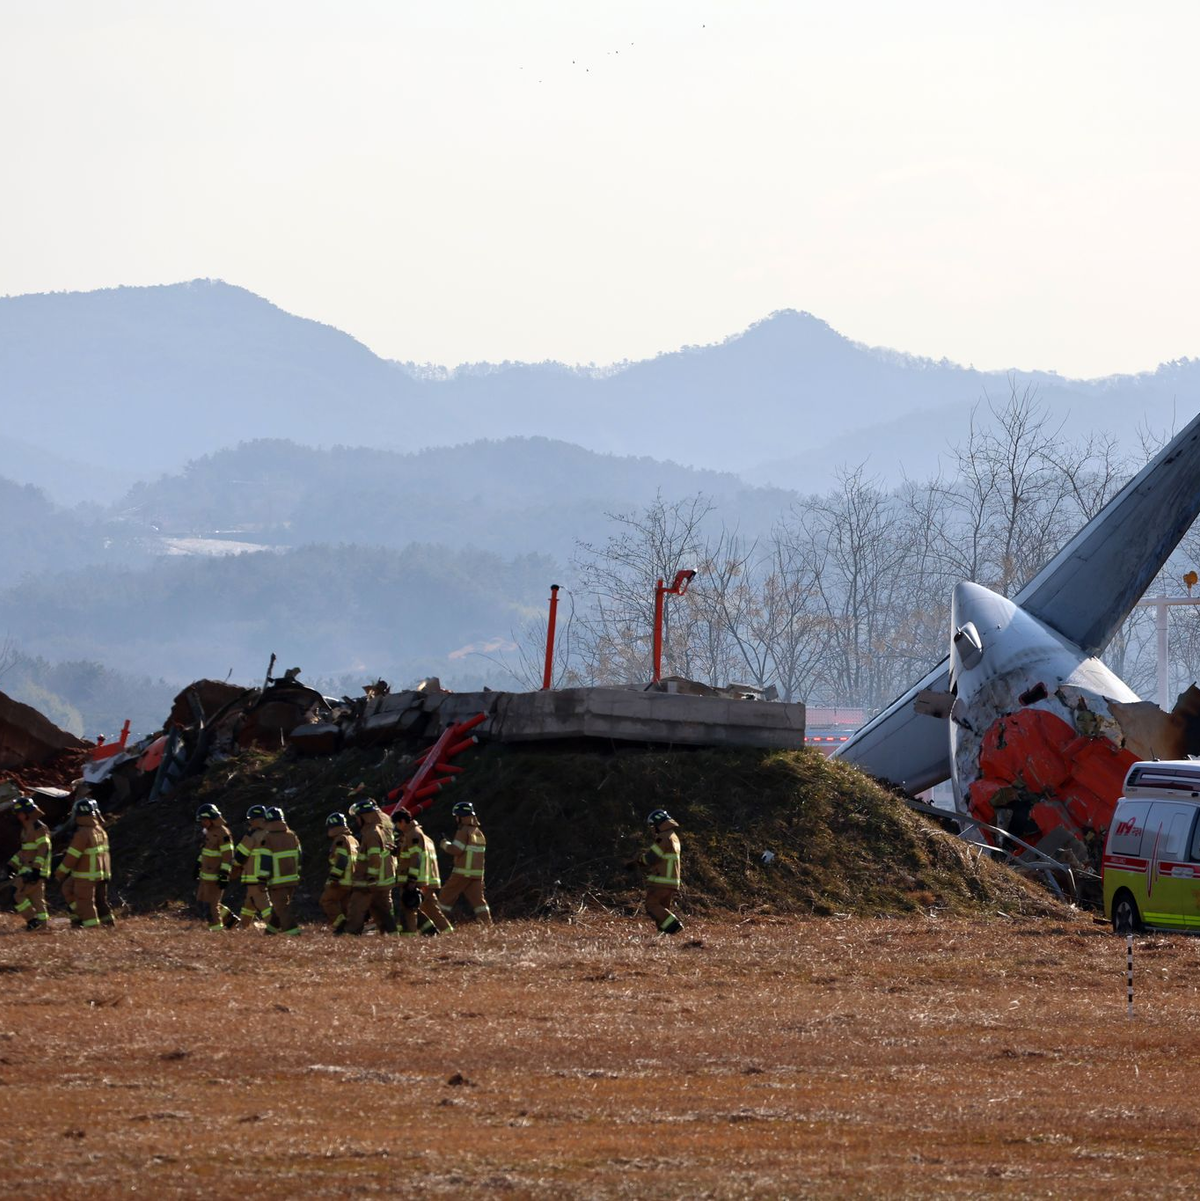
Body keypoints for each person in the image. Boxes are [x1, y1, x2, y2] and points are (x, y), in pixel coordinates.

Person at [55, 798, 113, 929]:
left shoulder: (82, 833)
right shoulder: (100, 830)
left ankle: (91, 928)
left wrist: (59, 872)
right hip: (101, 874)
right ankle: (107, 924)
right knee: (70, 889)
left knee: (84, 902)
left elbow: (72, 856)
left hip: (86, 875)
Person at [343, 800, 398, 936]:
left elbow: (374, 857)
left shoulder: (371, 833)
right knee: (382, 910)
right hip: (385, 877)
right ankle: (391, 935)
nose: (356, 821)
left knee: (356, 908)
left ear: (364, 816)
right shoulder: (385, 826)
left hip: (368, 880)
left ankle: (350, 935)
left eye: (357, 817)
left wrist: (371, 878)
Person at [396, 808, 451, 935]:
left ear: (402, 821)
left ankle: (408, 937)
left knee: (409, 908)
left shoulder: (413, 835)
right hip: (427, 879)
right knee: (431, 909)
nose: (398, 828)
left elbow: (416, 858)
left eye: (398, 824)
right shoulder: (425, 837)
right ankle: (444, 933)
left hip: (419, 880)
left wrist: (411, 879)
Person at [437, 801, 491, 926]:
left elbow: (456, 850)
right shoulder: (479, 833)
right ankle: (488, 925)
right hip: (477, 875)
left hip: (462, 873)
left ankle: (438, 924)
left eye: (456, 816)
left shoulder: (463, 830)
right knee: (479, 903)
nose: (456, 819)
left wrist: (444, 843)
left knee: (445, 896)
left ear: (461, 816)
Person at [631, 809, 684, 935]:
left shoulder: (663, 837)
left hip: (661, 879)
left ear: (658, 823)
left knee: (651, 905)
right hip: (672, 880)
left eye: (652, 825)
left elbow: (652, 857)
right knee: (663, 909)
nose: (652, 829)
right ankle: (663, 934)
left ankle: (675, 925)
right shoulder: (674, 837)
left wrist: (638, 862)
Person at [7, 796, 51, 930]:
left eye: (19, 813)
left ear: (26, 813)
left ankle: (33, 921)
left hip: (33, 870)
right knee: (37, 899)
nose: (17, 816)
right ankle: (42, 926)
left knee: (17, 894)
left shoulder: (38, 827)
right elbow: (25, 850)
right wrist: (12, 864)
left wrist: (36, 870)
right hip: (30, 869)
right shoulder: (27, 828)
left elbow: (43, 849)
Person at [230, 805, 272, 928]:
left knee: (263, 903)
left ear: (259, 819)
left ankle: (275, 926)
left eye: (252, 819)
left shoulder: (253, 835)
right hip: (266, 876)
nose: (250, 822)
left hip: (254, 876)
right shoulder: (270, 833)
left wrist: (233, 866)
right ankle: (242, 926)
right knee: (249, 903)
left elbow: (240, 856)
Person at [194, 803, 235, 931]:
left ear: (212, 819)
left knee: (210, 906)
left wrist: (224, 874)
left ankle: (217, 931)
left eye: (204, 820)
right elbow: (206, 851)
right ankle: (231, 921)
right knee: (201, 902)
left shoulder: (223, 834)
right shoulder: (209, 832)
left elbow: (228, 856)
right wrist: (198, 864)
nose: (202, 823)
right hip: (205, 875)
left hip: (215, 877)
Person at [262, 806, 302, 935]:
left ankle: (294, 934)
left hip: (276, 881)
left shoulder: (268, 838)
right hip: (292, 879)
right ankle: (270, 932)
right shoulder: (292, 836)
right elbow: (300, 856)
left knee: (282, 909)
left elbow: (266, 860)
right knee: (278, 908)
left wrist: (262, 878)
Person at [320, 812, 358, 934]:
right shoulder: (353, 840)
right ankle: (349, 930)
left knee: (327, 901)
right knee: (345, 906)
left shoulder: (340, 839)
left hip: (341, 880)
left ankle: (340, 925)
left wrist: (334, 877)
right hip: (351, 880)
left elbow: (342, 860)